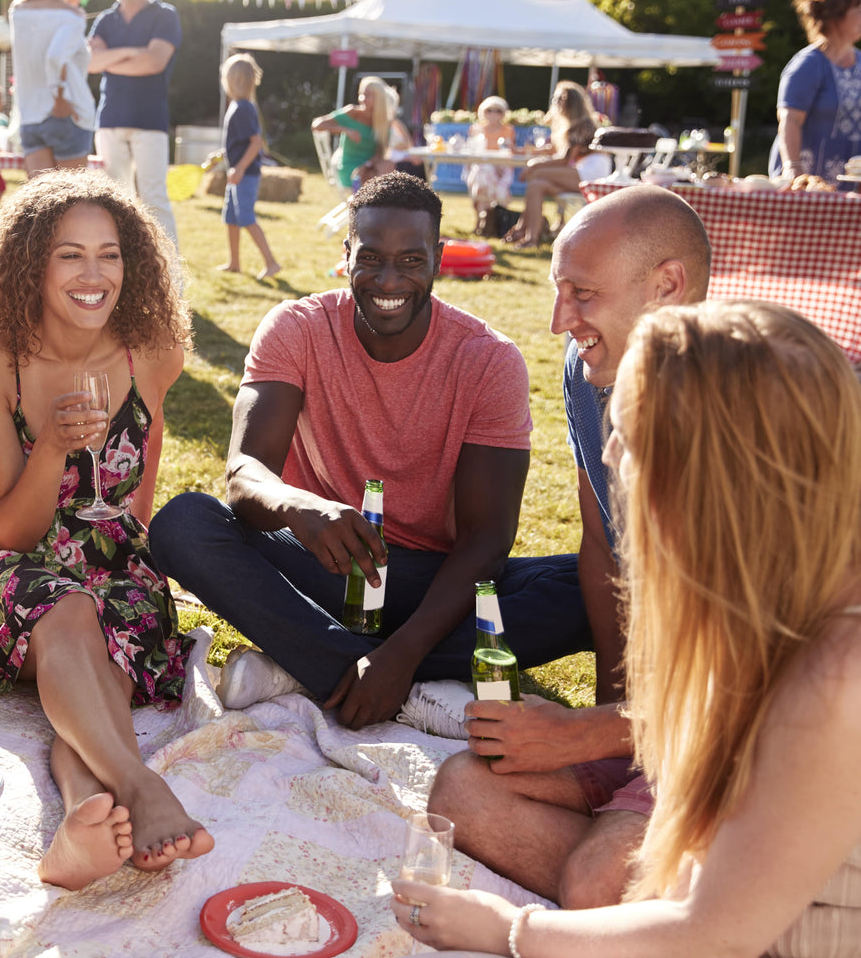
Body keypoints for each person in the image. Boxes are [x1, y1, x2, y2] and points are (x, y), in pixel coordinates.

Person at [391, 299, 861, 958]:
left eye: (631, 433)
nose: (611, 451)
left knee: (599, 884)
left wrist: (507, 930)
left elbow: (717, 930)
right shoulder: (776, 582)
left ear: (716, 470)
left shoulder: (839, 671)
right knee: (468, 789)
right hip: (725, 875)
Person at [149, 172, 589, 731]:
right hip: (324, 562)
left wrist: (401, 655)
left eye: (411, 260)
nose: (388, 278)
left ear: (438, 258)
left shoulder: (489, 360)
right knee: (185, 522)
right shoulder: (296, 328)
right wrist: (298, 506)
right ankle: (400, 688)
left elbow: (486, 540)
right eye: (371, 257)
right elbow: (243, 473)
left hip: (431, 585)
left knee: (602, 586)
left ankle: (310, 667)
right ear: (346, 253)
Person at [427, 185, 711, 909]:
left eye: (581, 294)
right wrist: (614, 722)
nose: (559, 321)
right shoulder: (591, 373)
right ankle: (680, 902)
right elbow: (602, 545)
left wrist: (590, 734)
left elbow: (771, 692)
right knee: (460, 787)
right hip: (662, 725)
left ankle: (702, 907)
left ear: (666, 287)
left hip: (745, 743)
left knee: (594, 880)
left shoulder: (751, 416)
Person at [0, 170, 209, 889]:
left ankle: (89, 809)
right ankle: (142, 786)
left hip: (114, 554)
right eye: (70, 255)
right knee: (69, 612)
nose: (95, 276)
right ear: (31, 263)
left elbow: (138, 496)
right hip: (11, 559)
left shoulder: (149, 350)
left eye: (111, 254)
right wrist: (53, 446)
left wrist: (135, 566)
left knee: (107, 660)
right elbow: (11, 532)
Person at [87, 0, 182, 246]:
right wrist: (132, 53)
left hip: (149, 121)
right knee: (115, 202)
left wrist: (111, 58)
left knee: (154, 200)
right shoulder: (105, 19)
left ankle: (170, 278)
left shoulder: (165, 15)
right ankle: (125, 272)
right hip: (109, 121)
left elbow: (154, 61)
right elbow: (90, 62)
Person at [9, 0, 96, 177]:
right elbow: (55, 56)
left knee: (42, 205)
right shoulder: (71, 16)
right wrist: (59, 96)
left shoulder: (18, 11)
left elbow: (38, 46)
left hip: (30, 116)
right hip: (65, 113)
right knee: (70, 201)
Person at [771, 0, 861, 191]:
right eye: (858, 11)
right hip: (805, 184)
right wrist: (793, 169)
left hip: (849, 186)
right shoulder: (808, 64)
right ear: (835, 19)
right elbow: (789, 119)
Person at [503, 81, 609, 248]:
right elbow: (557, 151)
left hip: (591, 174)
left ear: (570, 103)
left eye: (560, 99)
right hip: (579, 172)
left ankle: (524, 231)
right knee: (536, 185)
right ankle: (529, 235)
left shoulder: (582, 125)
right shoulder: (572, 125)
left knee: (536, 175)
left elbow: (565, 160)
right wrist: (532, 155)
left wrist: (534, 165)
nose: (556, 103)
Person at [214, 53, 281, 280]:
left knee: (246, 218)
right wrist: (223, 154)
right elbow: (240, 142)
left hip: (245, 175)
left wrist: (240, 168)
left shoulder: (243, 108)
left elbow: (255, 143)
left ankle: (271, 263)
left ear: (231, 80)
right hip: (239, 174)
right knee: (231, 218)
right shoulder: (240, 106)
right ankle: (234, 263)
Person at [312, 76, 393, 191]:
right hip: (349, 167)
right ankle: (369, 204)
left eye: (368, 95)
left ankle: (379, 204)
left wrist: (365, 166)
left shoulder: (384, 122)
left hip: (368, 166)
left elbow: (380, 154)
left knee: (388, 166)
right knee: (374, 179)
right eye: (361, 94)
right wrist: (345, 130)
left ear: (378, 98)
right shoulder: (352, 113)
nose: (362, 99)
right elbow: (317, 125)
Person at [466, 96, 517, 235]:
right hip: (481, 166)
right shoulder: (476, 129)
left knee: (483, 178)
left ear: (503, 113)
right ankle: (482, 221)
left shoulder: (508, 130)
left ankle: (488, 222)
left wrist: (500, 165)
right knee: (481, 176)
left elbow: (509, 152)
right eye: (489, 110)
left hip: (501, 166)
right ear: (483, 112)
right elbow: (471, 152)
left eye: (498, 111)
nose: (493, 114)